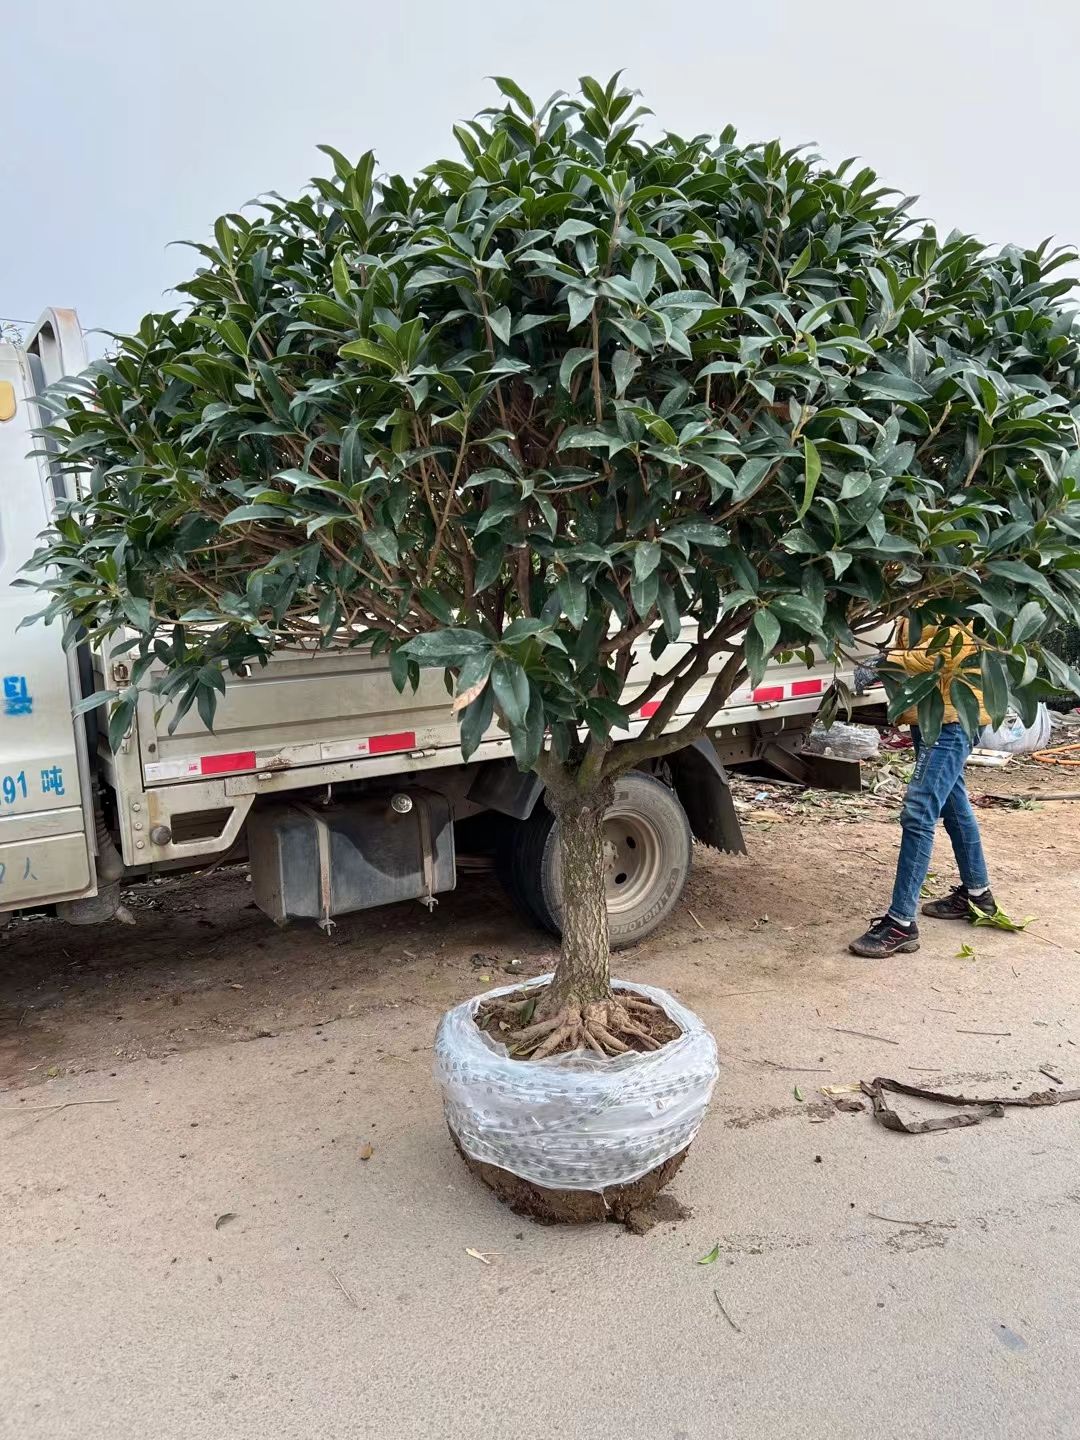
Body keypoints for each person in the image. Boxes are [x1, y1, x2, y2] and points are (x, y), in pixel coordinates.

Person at [849, 622, 996, 958]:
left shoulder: (962, 589)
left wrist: (888, 660)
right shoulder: (921, 591)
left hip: (953, 718)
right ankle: (978, 896)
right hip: (930, 714)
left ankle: (901, 923)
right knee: (953, 804)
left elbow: (948, 651)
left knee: (918, 811)